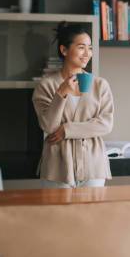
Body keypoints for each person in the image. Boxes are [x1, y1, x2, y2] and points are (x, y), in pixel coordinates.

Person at [32, 21, 114, 188]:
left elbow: (105, 124)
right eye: (81, 47)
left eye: (90, 48)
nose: (87, 53)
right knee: (58, 215)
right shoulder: (46, 86)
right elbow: (48, 125)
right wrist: (61, 93)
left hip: (93, 166)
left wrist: (66, 130)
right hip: (58, 167)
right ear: (64, 50)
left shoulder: (100, 85)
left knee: (91, 214)